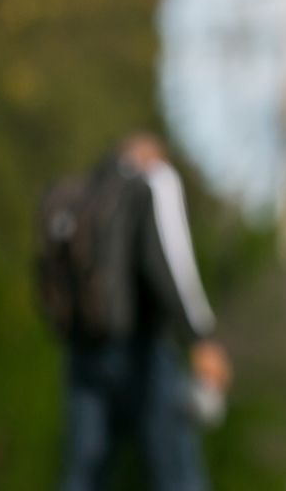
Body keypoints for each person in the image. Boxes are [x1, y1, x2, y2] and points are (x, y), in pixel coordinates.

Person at [53, 134, 232, 491]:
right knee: (177, 474)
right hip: (143, 350)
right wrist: (201, 337)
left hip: (83, 350)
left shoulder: (85, 189)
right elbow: (168, 262)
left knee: (84, 475)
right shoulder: (156, 180)